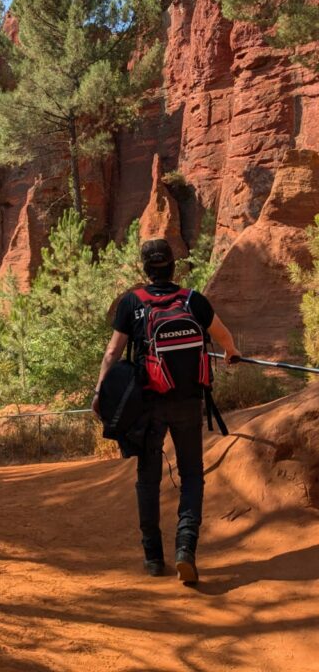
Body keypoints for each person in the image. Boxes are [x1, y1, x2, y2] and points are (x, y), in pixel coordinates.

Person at [92, 238, 241, 584]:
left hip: (149, 405)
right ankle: (185, 549)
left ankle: (153, 556)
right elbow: (222, 336)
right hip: (189, 401)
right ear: (173, 266)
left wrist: (100, 390)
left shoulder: (132, 303)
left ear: (145, 269)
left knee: (148, 478)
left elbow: (113, 352)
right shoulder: (193, 300)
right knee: (191, 475)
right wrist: (231, 352)